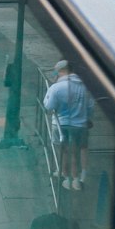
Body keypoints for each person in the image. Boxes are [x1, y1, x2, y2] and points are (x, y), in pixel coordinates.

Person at [42, 58, 94, 191]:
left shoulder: (56, 87)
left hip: (61, 124)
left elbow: (48, 106)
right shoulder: (84, 86)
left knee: (64, 149)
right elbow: (90, 105)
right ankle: (78, 178)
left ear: (61, 71)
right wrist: (87, 118)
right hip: (80, 124)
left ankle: (66, 175)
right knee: (79, 149)